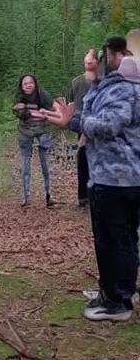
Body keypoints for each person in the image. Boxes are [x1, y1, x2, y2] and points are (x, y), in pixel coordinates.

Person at [44, 35, 140, 322]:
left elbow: (109, 124)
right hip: (124, 178)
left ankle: (116, 303)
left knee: (112, 240)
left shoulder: (123, 89)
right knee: (124, 239)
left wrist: (73, 121)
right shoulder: (123, 88)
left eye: (106, 55)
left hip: (115, 179)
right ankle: (118, 291)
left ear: (114, 54)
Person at [12, 75, 54, 208]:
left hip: (42, 129)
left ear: (35, 84)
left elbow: (52, 110)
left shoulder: (43, 95)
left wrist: (43, 114)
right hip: (25, 131)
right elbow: (15, 111)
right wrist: (23, 114)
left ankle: (48, 195)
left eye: (30, 83)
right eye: (25, 83)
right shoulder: (19, 98)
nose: (28, 85)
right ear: (21, 86)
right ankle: (25, 198)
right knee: (25, 165)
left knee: (45, 164)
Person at [67, 49, 99, 208]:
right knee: (88, 159)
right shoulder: (98, 80)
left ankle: (85, 197)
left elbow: (70, 106)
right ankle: (87, 197)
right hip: (90, 123)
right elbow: (71, 105)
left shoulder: (79, 81)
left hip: (86, 123)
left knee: (84, 159)